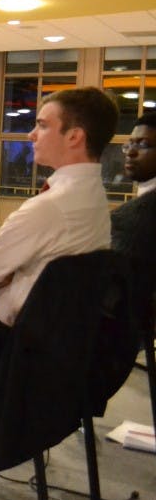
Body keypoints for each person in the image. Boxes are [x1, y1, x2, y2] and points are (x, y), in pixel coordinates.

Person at [0, 87, 118, 384]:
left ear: (74, 137)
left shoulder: (50, 208)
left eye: (43, 125)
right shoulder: (95, 197)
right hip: (63, 345)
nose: (31, 134)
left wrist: (1, 275)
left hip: (9, 348)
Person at [110, 112, 156, 371]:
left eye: (144, 144)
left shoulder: (134, 219)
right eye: (130, 144)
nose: (131, 152)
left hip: (114, 345)